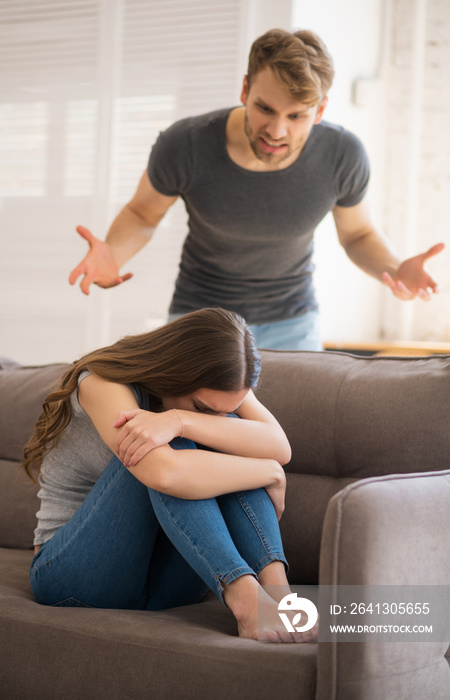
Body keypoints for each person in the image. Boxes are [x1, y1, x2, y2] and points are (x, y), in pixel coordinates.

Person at [68, 28, 444, 351]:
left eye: (296, 116)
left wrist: (394, 268)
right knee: (188, 429)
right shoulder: (186, 144)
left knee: (293, 432)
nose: (277, 132)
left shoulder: (342, 155)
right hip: (200, 319)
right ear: (245, 89)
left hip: (293, 322)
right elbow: (142, 213)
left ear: (320, 110)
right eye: (265, 109)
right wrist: (113, 253)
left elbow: (358, 234)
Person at [22, 307, 317, 642]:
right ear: (175, 372)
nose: (213, 415)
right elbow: (165, 474)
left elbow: (279, 447)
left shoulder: (221, 385)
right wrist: (268, 472)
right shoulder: (102, 383)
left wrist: (182, 418)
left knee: (227, 433)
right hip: (76, 576)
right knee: (156, 444)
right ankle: (244, 597)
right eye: (202, 407)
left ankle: (280, 596)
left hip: (169, 581)